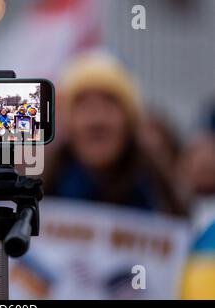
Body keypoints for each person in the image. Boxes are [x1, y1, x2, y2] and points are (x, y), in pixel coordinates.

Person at [44, 52, 187, 217]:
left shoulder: (162, 196)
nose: (96, 120)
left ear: (129, 121)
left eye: (109, 104)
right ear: (69, 124)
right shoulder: (35, 195)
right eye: (84, 106)